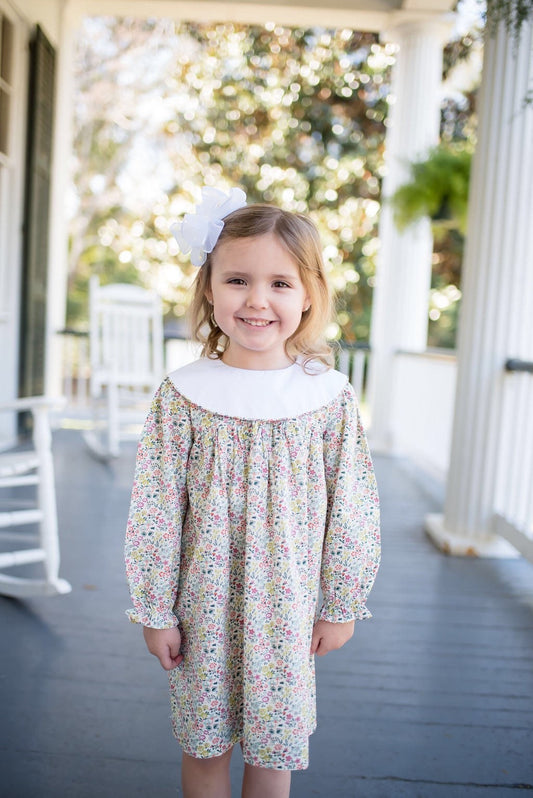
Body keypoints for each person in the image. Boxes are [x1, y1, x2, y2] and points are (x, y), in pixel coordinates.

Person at [125, 187, 380, 798]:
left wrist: (340, 602)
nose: (257, 300)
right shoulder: (183, 394)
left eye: (281, 284)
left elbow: (353, 508)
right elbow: (157, 509)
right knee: (204, 743)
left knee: (274, 747)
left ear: (310, 295)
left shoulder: (327, 398)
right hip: (201, 605)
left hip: (286, 609)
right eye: (238, 279)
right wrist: (155, 609)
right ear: (209, 289)